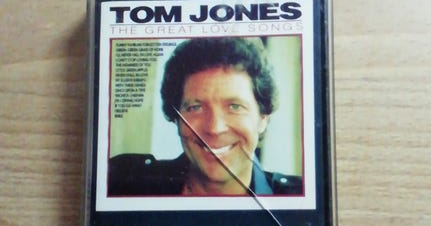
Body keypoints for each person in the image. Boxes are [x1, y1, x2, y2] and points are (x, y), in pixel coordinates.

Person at [108, 37, 302, 196]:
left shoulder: (297, 198)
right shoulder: (126, 182)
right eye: (196, 107)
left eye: (234, 107)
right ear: (176, 117)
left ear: (263, 119)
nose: (214, 128)